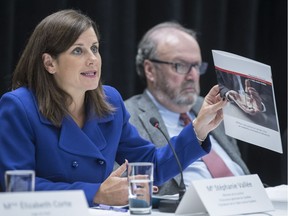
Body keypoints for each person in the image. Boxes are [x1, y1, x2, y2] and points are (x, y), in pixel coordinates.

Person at [0, 10, 227, 207]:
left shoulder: (110, 100)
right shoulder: (19, 107)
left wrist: (198, 129)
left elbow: (151, 166)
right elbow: (18, 189)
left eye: (95, 48)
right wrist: (96, 193)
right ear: (50, 63)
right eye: (78, 51)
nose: (93, 59)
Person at [124, 22, 250, 195]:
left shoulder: (214, 107)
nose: (192, 75)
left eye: (197, 66)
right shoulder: (127, 117)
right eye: (180, 65)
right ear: (150, 70)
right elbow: (128, 187)